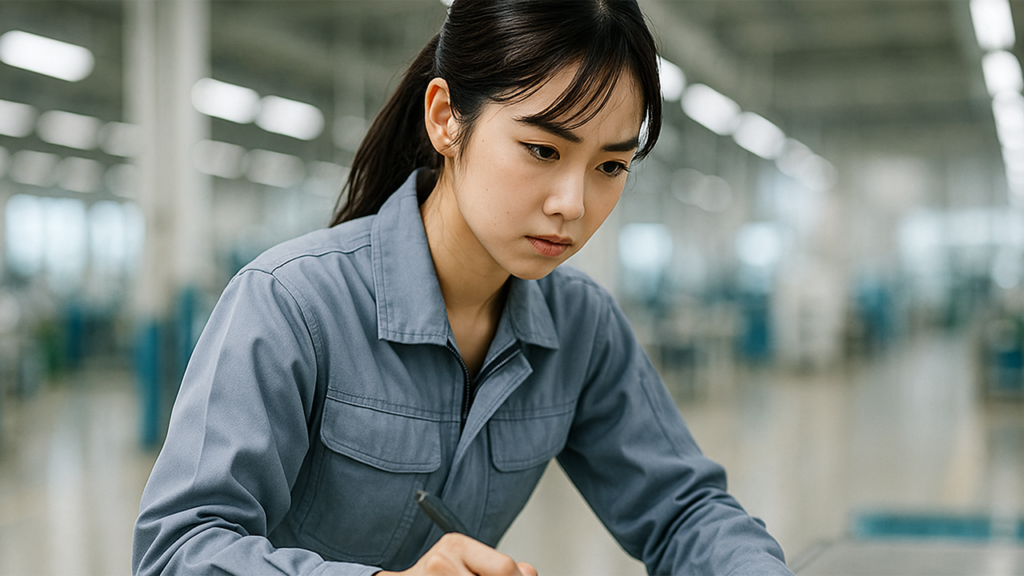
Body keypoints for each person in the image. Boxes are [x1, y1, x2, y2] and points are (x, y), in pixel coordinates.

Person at [133, 1, 795, 575]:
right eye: (543, 150)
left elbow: (683, 511)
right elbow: (176, 552)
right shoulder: (291, 306)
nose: (573, 202)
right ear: (447, 117)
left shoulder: (581, 330)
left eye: (612, 164)